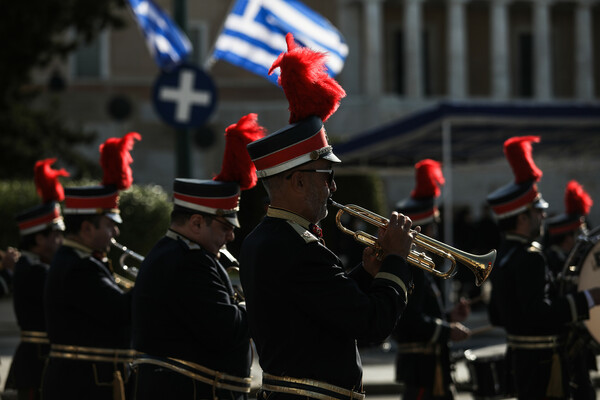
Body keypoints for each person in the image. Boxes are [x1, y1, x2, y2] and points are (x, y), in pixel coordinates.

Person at [240, 32, 417, 400]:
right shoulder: (296, 247)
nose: (334, 188)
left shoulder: (268, 238)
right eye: (328, 176)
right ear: (300, 181)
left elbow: (319, 312)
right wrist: (397, 260)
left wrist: (367, 274)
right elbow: (370, 324)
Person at [131, 113, 264, 400]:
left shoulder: (177, 253)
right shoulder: (188, 262)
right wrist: (263, 302)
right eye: (225, 227)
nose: (230, 237)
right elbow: (226, 329)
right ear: (196, 223)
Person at [486, 136, 600, 399]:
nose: (544, 216)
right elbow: (539, 312)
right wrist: (586, 298)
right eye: (538, 212)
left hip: (520, 360)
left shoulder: (504, 255)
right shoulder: (530, 257)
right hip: (542, 365)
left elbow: (496, 316)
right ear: (522, 218)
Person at [41, 132, 141, 400]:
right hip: (84, 383)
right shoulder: (78, 267)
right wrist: (151, 278)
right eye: (110, 225)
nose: (116, 233)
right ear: (86, 228)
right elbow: (120, 311)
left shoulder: (81, 261)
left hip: (90, 378)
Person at [392, 159, 471, 400]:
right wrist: (448, 331)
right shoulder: (411, 268)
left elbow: (421, 313)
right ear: (422, 231)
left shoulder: (422, 267)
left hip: (428, 366)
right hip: (422, 370)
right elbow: (411, 321)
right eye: (433, 227)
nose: (436, 234)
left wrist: (449, 317)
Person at [8, 158, 68, 400]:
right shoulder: (34, 271)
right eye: (56, 234)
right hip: (36, 362)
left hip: (39, 357)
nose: (61, 240)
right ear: (40, 240)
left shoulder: (34, 266)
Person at [545, 180, 596, 400]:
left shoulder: (568, 262)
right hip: (564, 344)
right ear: (569, 238)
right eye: (579, 235)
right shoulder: (554, 262)